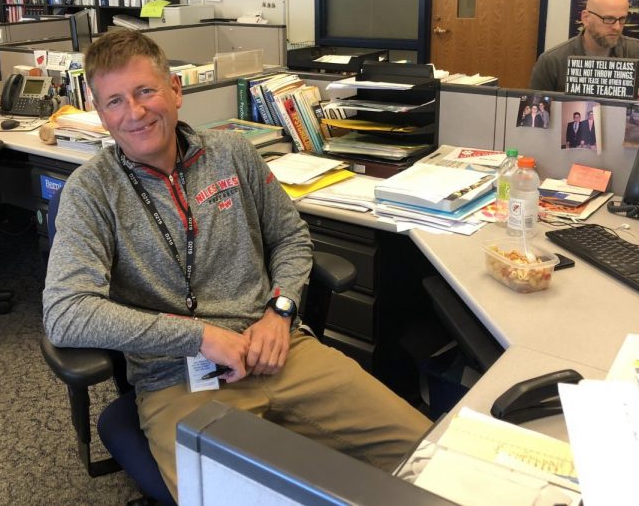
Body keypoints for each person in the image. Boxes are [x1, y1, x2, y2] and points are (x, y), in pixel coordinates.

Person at [43, 31, 430, 499]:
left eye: (145, 91)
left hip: (281, 354)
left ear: (175, 90)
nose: (135, 112)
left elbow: (291, 237)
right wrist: (201, 337)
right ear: (101, 114)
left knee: (432, 456)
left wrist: (281, 311)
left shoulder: (232, 153)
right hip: (178, 381)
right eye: (116, 101)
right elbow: (66, 314)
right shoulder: (92, 191)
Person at [529, 0, 639, 98]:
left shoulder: (638, 51)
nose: (617, 27)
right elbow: (533, 120)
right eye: (608, 19)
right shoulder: (551, 61)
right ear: (586, 18)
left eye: (622, 19)